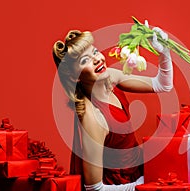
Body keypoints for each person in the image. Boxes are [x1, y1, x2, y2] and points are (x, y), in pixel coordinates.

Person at [52, 22, 173, 191]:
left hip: (139, 172)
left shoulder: (111, 77)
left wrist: (164, 52)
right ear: (75, 77)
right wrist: (140, 186)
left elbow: (162, 85)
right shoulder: (92, 117)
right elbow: (94, 188)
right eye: (85, 60)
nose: (97, 59)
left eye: (94, 52)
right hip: (122, 186)